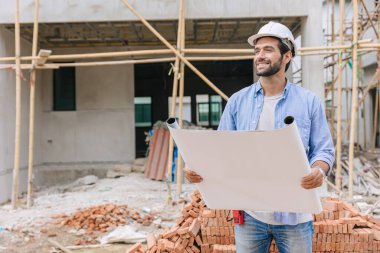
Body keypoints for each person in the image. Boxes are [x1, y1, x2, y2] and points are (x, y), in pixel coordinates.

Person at [184, 21, 335, 253]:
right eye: (256, 50)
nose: (259, 56)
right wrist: (197, 168)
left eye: (268, 50)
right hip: (250, 215)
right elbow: (221, 150)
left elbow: (324, 150)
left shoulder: (309, 101)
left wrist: (319, 170)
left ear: (287, 56)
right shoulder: (237, 101)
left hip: (295, 215)